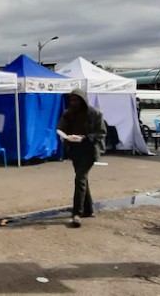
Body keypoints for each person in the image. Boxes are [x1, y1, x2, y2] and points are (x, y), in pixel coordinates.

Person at [58, 88, 107, 228]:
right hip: (75, 150)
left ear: (83, 100)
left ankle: (77, 213)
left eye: (76, 100)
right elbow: (61, 127)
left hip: (90, 150)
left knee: (80, 178)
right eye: (71, 100)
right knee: (82, 180)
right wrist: (65, 135)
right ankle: (89, 209)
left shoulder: (94, 113)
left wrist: (85, 138)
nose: (73, 102)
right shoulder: (69, 113)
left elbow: (102, 133)